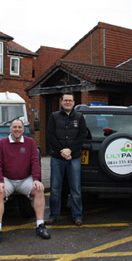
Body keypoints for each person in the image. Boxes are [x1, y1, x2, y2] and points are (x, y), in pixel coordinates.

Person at [0, 119, 50, 245]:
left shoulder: (30, 143)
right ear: (10, 129)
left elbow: (35, 162)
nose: (17, 129)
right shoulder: (2, 143)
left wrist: (36, 179)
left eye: (19, 127)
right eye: (14, 127)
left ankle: (40, 225)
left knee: (39, 190)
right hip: (8, 179)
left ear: (23, 129)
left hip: (25, 179)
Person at [45, 93, 87, 226]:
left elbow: (82, 136)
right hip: (57, 157)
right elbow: (50, 136)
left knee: (75, 188)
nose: (67, 102)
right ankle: (53, 215)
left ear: (74, 102)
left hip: (74, 157)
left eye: (70, 100)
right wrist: (62, 151)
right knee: (55, 188)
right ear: (61, 102)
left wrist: (71, 150)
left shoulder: (80, 117)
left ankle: (77, 216)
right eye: (65, 100)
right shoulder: (54, 116)